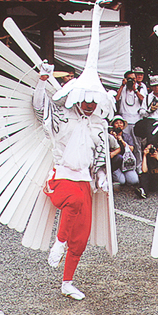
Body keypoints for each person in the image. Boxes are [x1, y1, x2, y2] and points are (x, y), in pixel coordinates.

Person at [34, 59, 114, 301]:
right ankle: (58, 242)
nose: (89, 106)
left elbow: (97, 162)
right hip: (62, 177)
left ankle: (67, 282)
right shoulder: (62, 116)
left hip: (82, 181)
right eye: (85, 101)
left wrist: (101, 179)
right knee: (74, 201)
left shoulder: (98, 126)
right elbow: (40, 108)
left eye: (93, 102)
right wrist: (42, 81)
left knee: (81, 235)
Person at [115, 70, 146, 172]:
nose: (131, 81)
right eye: (129, 79)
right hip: (125, 121)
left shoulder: (140, 88)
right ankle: (126, 167)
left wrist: (135, 89)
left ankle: (139, 168)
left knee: (137, 146)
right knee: (125, 144)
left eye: (133, 79)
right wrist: (122, 86)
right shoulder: (123, 88)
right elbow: (116, 99)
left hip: (136, 120)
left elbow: (144, 100)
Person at [108, 116, 139, 187]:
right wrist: (114, 138)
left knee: (134, 180)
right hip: (117, 162)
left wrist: (122, 140)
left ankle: (126, 176)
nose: (119, 125)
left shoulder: (127, 136)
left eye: (121, 123)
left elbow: (131, 149)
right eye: (116, 123)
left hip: (127, 162)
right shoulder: (110, 136)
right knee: (122, 181)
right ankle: (115, 175)